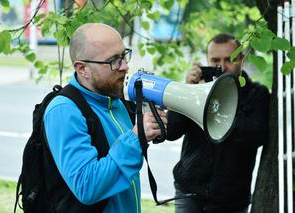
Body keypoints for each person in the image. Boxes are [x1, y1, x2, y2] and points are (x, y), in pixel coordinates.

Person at [43, 23, 167, 213]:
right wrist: (135, 138)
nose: (125, 66)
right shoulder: (64, 110)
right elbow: (87, 187)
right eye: (114, 61)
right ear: (82, 68)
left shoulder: (115, 100)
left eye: (124, 56)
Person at [167, 33, 270, 213]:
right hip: (189, 191)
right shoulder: (196, 89)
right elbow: (171, 131)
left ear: (241, 59)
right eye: (215, 60)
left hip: (231, 200)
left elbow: (256, 136)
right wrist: (186, 90)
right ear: (207, 60)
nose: (222, 67)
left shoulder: (257, 94)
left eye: (229, 60)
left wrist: (220, 105)